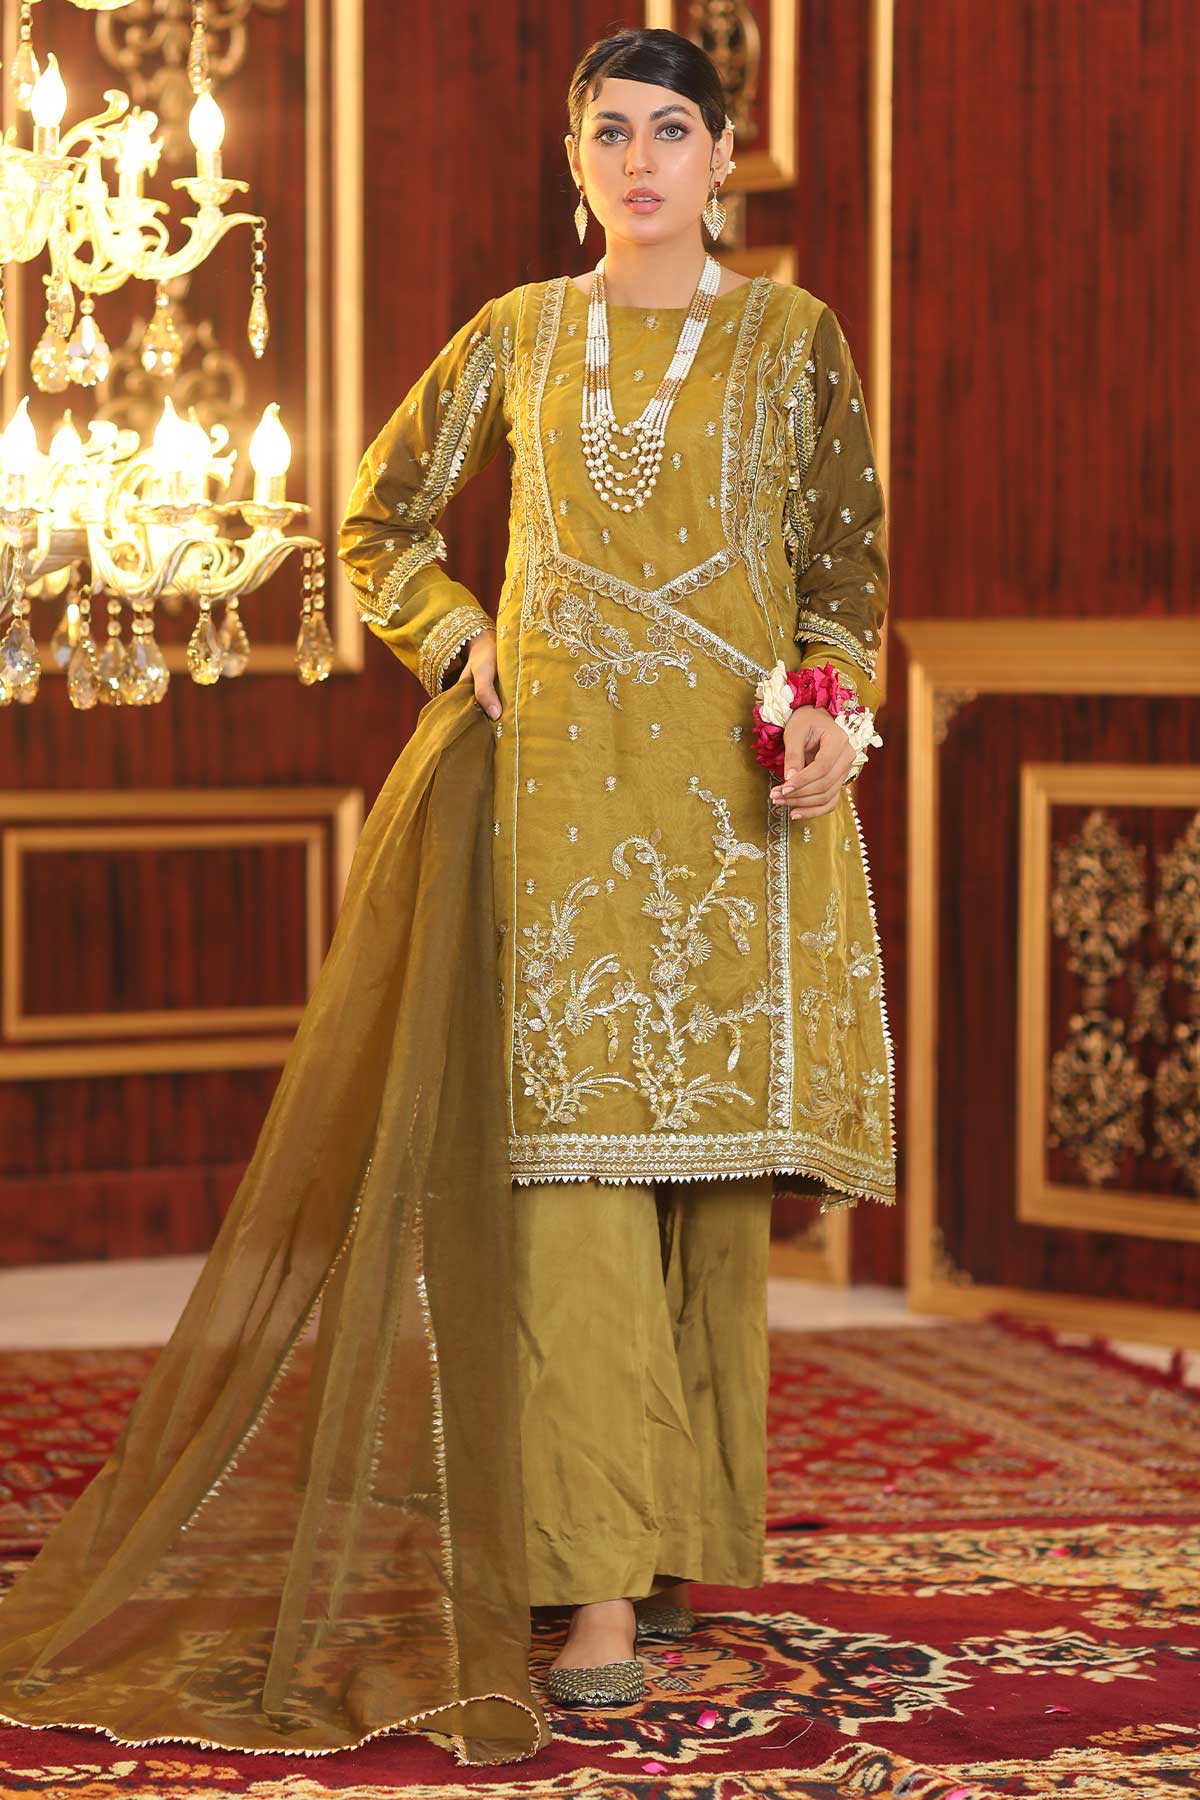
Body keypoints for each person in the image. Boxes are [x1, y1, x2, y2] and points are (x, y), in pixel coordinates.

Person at [337, 25, 896, 1712]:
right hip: (563, 813)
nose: (638, 160)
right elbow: (378, 521)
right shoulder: (519, 334)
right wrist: (459, 637)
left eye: (669, 130)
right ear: (571, 159)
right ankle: (586, 1588)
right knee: (572, 1192)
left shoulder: (796, 342)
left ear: (722, 154)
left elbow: (842, 570)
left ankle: (666, 1541)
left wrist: (827, 710)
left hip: (731, 817)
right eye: (607, 132)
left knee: (703, 1201)